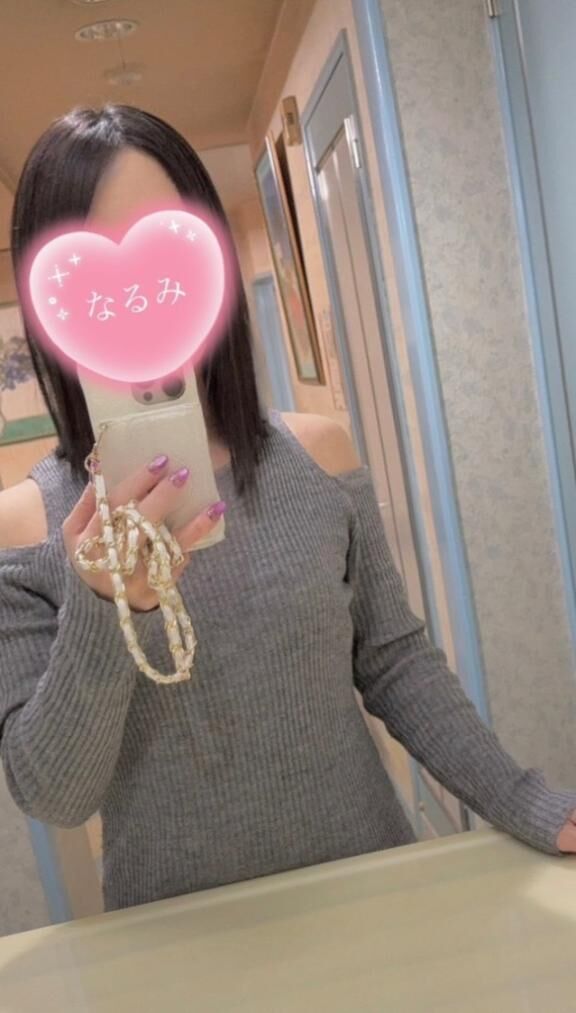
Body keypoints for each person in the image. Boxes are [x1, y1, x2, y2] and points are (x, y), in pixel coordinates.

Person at [0, 105, 575, 914]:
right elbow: (54, 793)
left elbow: (394, 661)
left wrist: (528, 802)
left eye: (166, 250)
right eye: (98, 271)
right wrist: (103, 606)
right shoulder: (28, 527)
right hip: (178, 937)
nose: (137, 296)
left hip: (370, 893)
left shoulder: (317, 454)